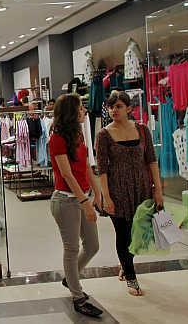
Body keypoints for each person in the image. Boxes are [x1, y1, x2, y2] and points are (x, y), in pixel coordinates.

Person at [96, 90, 163, 296]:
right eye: (111, 106)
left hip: (141, 189)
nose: (113, 110)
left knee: (137, 233)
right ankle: (131, 277)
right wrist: (105, 196)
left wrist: (158, 190)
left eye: (118, 106)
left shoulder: (142, 130)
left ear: (129, 109)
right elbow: (102, 168)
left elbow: (151, 160)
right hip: (117, 190)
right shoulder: (104, 134)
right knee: (123, 234)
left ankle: (125, 264)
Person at [49, 94, 103, 318]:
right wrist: (85, 203)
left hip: (82, 197)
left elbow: (86, 168)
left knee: (92, 245)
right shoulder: (57, 138)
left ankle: (70, 278)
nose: (84, 111)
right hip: (66, 200)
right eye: (81, 108)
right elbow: (67, 174)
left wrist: (98, 193)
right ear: (72, 112)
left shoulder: (79, 135)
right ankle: (77, 297)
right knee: (71, 249)